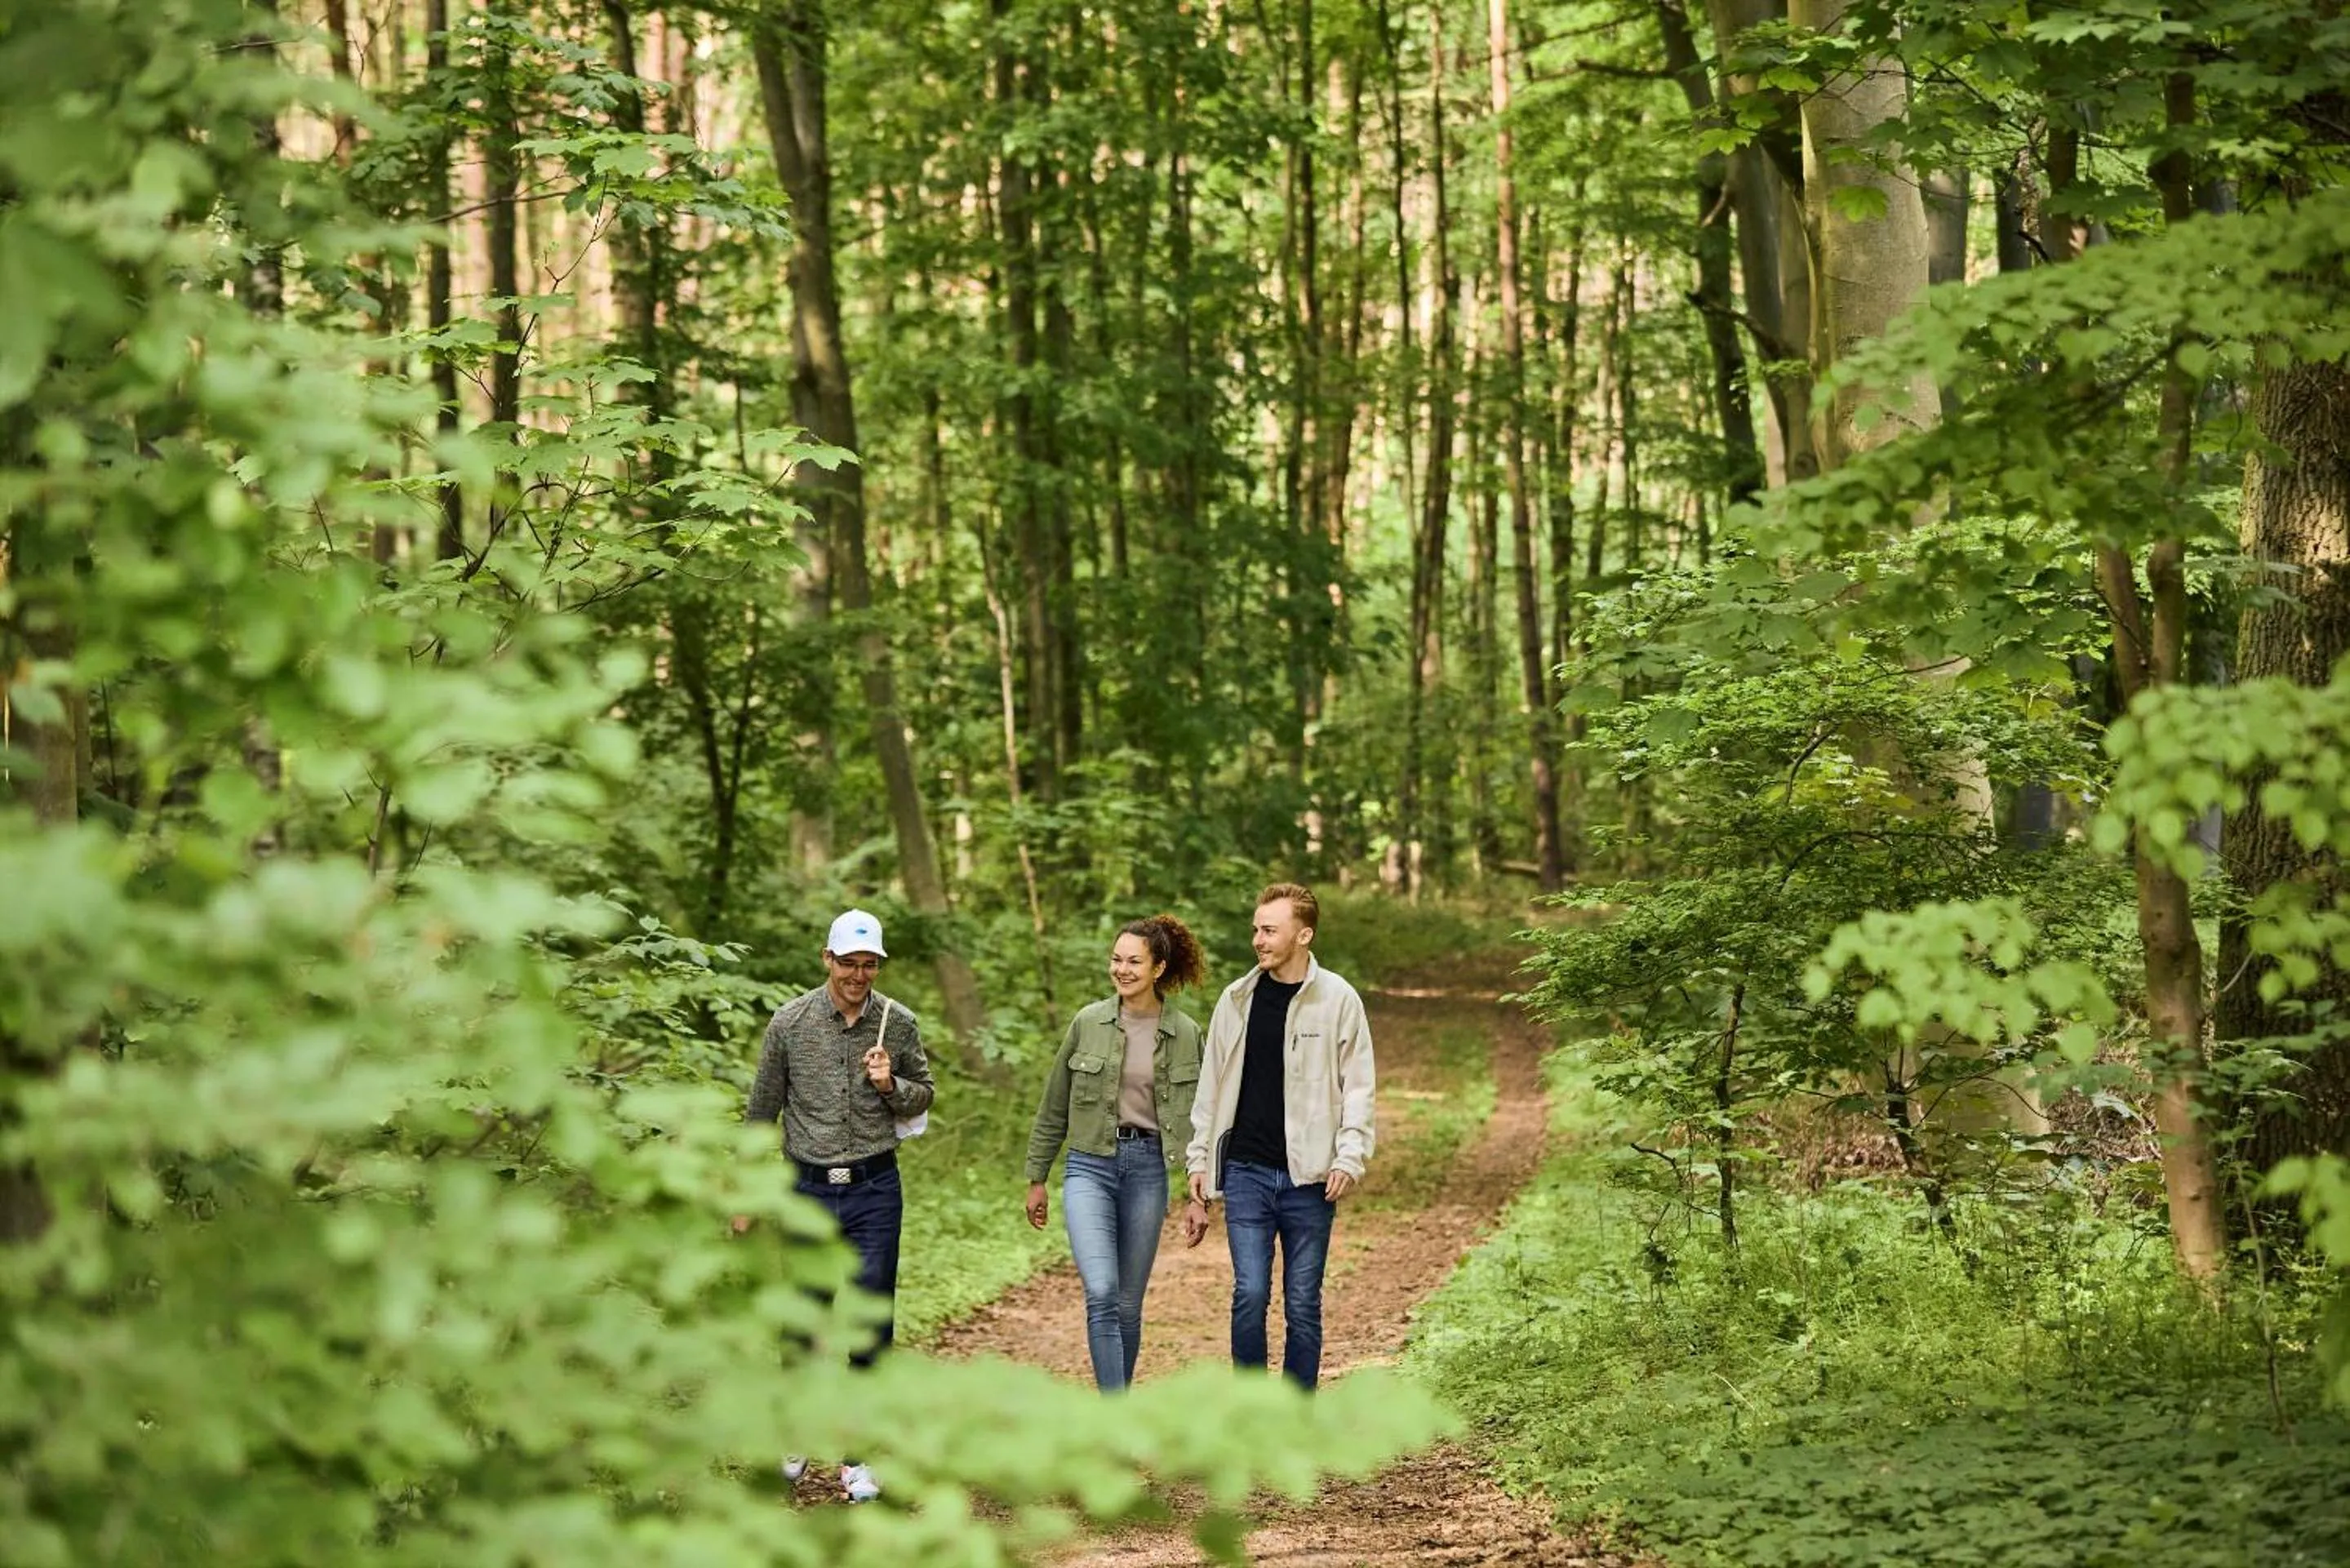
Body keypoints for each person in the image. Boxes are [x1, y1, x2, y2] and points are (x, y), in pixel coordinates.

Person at [737, 908, 934, 1504]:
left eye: (868, 962)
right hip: (809, 1189)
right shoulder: (790, 1022)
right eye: (848, 961)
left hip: (876, 1188)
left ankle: (859, 1457)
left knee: (871, 1320)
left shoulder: (895, 1024)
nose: (858, 973)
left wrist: (886, 1084)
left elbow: (922, 1095)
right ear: (827, 959)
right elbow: (760, 1110)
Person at [1183, 882, 1375, 1392]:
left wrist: (1349, 1155)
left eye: (1269, 930)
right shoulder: (1237, 1000)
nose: (1258, 940)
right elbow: (1210, 1088)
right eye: (1256, 929)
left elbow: (1357, 1087)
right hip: (1245, 1169)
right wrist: (1198, 1161)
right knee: (1249, 1293)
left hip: (1310, 1177)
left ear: (1303, 934)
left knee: (1303, 1301)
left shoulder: (1338, 1000)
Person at [1022, 915, 1209, 1393]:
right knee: (1101, 1292)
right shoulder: (1088, 1022)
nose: (1122, 970)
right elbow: (1054, 1104)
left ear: (1159, 968)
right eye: (1116, 959)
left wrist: (1199, 1192)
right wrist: (1037, 1176)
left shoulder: (1186, 1033)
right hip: (1089, 1167)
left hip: (1148, 1170)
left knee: (1128, 1303)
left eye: (1133, 961)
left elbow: (1201, 1118)